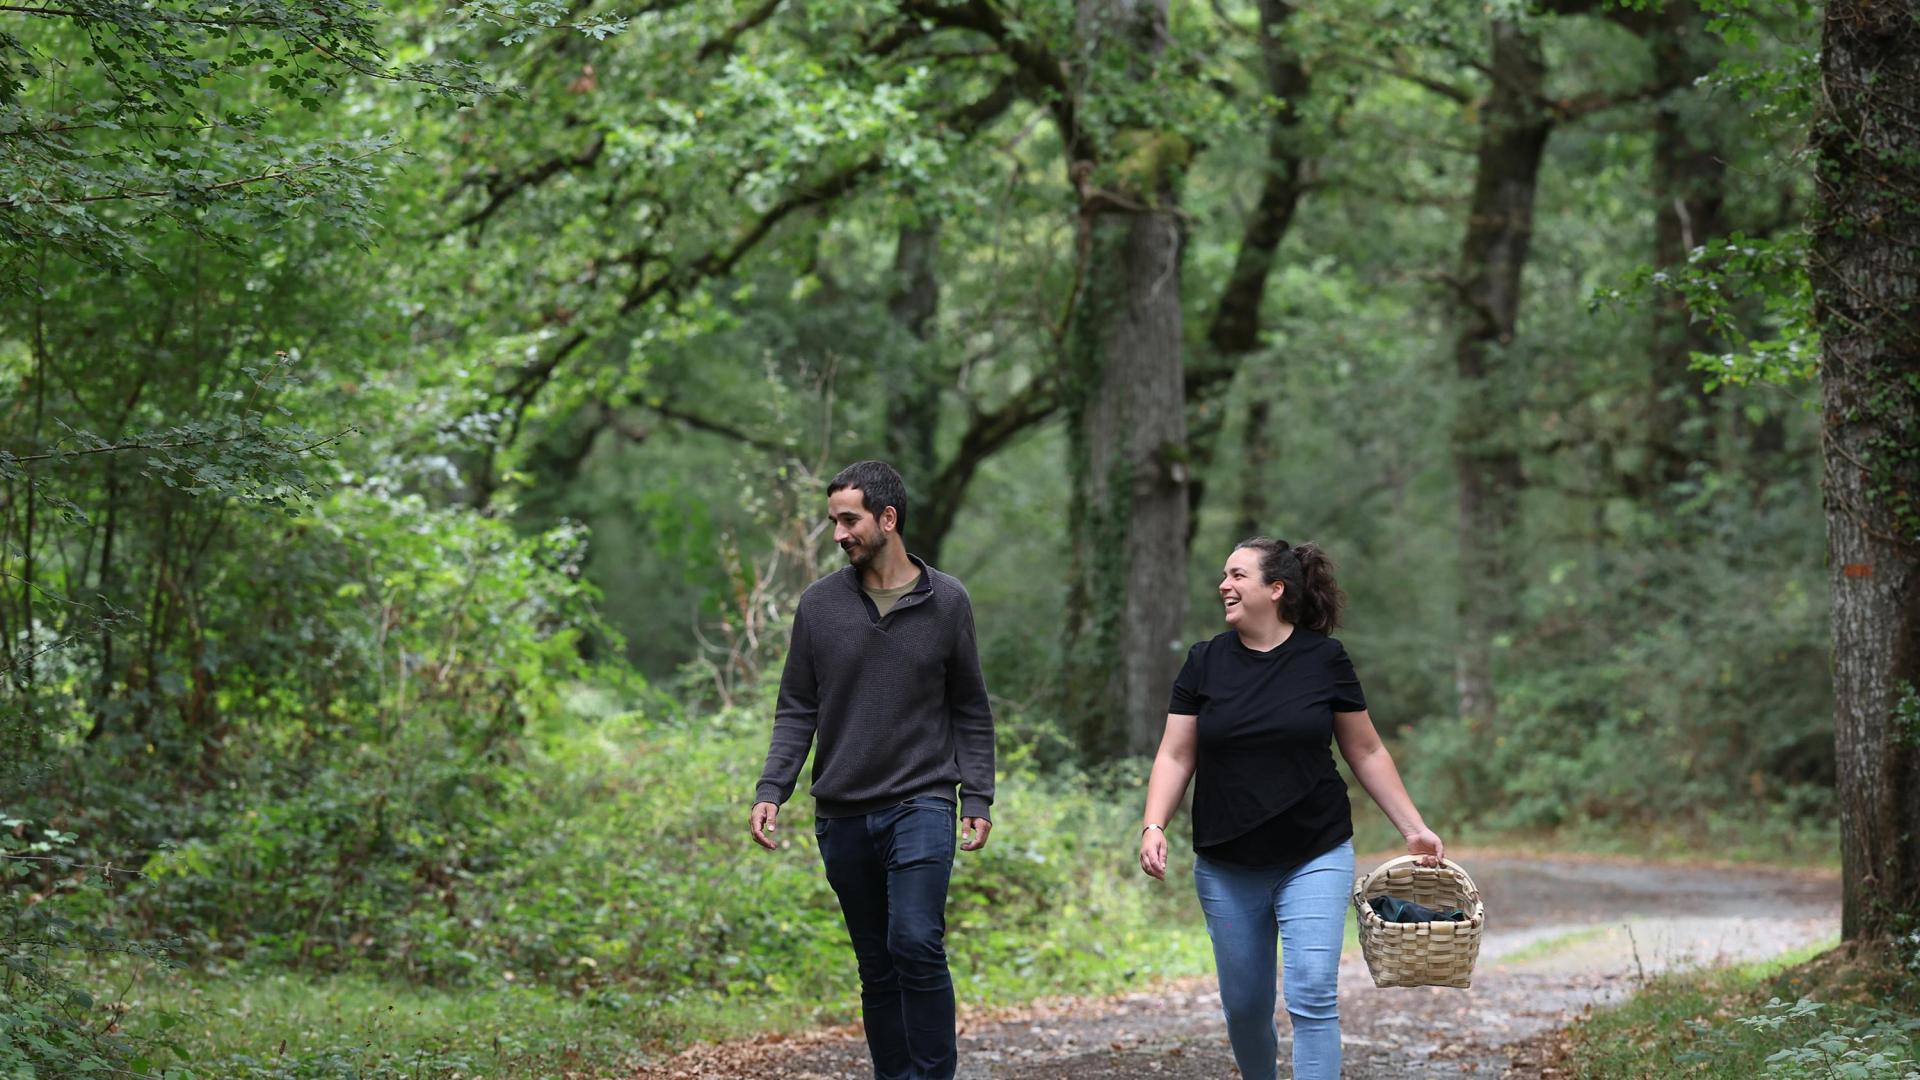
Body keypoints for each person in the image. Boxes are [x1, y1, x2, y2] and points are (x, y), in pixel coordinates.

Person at [1137, 537, 1443, 1080]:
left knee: (1311, 994)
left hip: (1314, 851)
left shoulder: (1323, 660)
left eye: (1237, 576)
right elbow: (1176, 752)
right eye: (1224, 576)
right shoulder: (1204, 662)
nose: (1224, 586)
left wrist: (1413, 828)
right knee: (1246, 1008)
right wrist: (1153, 823)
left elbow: (1366, 749)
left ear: (1275, 590)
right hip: (1226, 860)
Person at [750, 460, 996, 1080]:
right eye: (834, 520)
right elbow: (796, 707)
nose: (838, 533)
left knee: (915, 941)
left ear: (888, 518)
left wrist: (978, 796)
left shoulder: (947, 601)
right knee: (877, 963)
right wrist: (772, 787)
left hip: (923, 799)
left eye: (849, 519)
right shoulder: (820, 605)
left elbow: (970, 705)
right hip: (841, 811)